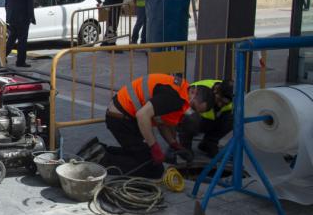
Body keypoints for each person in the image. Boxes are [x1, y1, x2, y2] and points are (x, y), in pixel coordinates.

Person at [81, 74, 213, 178]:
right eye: (194, 107)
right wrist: (154, 146)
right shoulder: (175, 97)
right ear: (194, 92)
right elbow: (142, 115)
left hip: (124, 117)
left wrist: (173, 144)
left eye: (196, 111)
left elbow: (161, 121)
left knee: (143, 155)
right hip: (121, 119)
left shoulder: (182, 91)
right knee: (152, 168)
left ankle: (98, 150)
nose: (192, 111)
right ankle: (100, 161)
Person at [177, 79, 233, 158]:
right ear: (216, 91)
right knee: (191, 119)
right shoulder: (202, 92)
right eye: (219, 100)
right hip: (185, 117)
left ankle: (209, 144)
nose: (220, 104)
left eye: (224, 103)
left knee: (232, 120)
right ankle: (184, 147)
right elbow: (186, 112)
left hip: (208, 119)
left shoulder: (232, 96)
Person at [4, 0, 36, 68]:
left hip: (12, 18)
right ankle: (20, 62)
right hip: (23, 20)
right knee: (22, 41)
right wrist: (32, 18)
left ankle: (2, 56)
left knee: (11, 39)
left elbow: (6, 4)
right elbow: (30, 6)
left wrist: (9, 16)